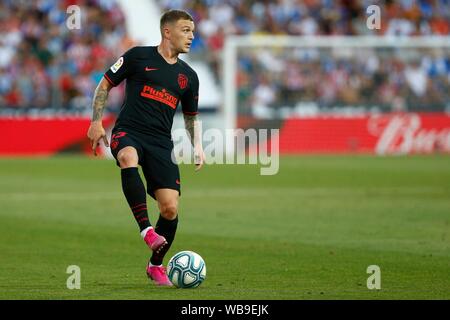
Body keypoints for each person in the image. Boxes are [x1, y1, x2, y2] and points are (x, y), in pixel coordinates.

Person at [87, 9, 205, 286]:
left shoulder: (189, 77)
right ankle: (146, 232)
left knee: (170, 209)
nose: (191, 36)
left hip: (161, 142)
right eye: (186, 30)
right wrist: (96, 122)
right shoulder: (138, 56)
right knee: (128, 157)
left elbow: (191, 117)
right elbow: (104, 85)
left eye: (193, 31)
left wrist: (197, 145)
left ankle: (155, 265)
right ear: (167, 31)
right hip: (129, 131)